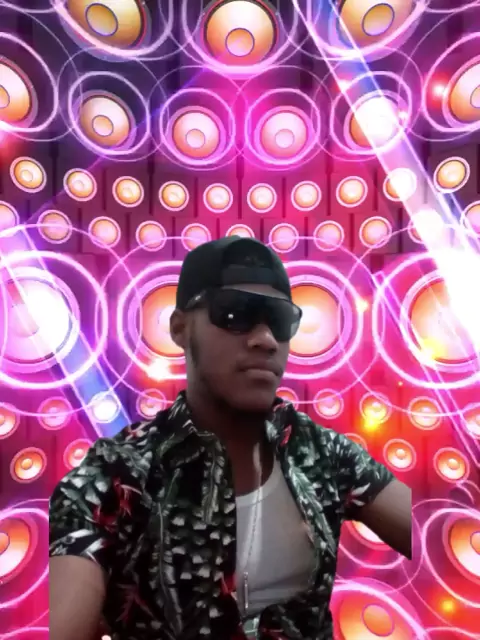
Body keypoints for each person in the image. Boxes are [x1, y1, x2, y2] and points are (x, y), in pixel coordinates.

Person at [49, 236, 411, 640]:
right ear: (179, 328)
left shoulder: (325, 454)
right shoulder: (116, 475)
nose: (266, 339)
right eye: (236, 313)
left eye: (280, 320)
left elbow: (426, 528)